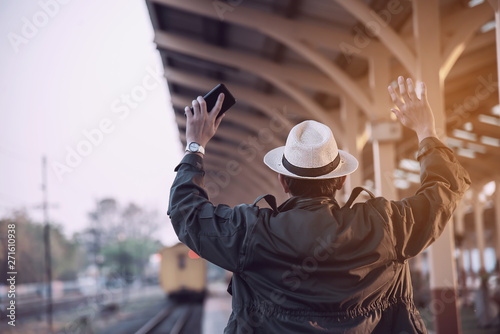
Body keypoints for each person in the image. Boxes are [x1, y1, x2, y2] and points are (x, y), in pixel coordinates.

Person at [168, 76, 471, 333]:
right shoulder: (385, 226)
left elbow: (187, 214)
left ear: (283, 182)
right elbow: (443, 191)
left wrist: (196, 146)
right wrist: (426, 132)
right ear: (340, 181)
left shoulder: (250, 233)